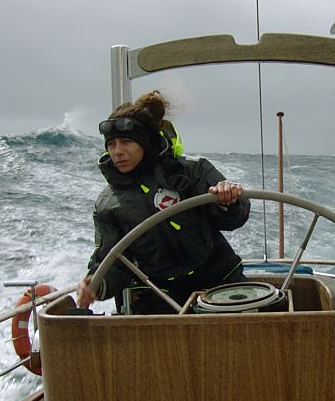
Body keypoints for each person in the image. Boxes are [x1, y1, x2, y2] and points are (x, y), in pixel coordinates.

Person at [76, 90, 250, 313]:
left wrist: (228, 200)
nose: (117, 152)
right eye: (111, 144)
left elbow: (235, 218)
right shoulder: (108, 205)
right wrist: (96, 285)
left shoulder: (191, 172)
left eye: (126, 142)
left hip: (219, 278)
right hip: (159, 293)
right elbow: (113, 263)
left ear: (146, 142)